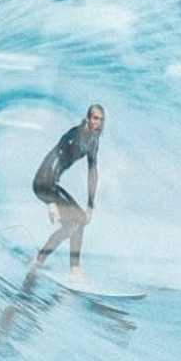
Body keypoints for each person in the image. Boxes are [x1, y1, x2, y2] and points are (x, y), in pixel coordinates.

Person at [31, 100, 107, 274]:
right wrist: (51, 202)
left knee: (72, 225)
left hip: (52, 185)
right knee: (78, 220)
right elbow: (53, 161)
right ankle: (74, 269)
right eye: (95, 118)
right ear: (88, 118)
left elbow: (92, 171)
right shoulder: (75, 135)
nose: (98, 123)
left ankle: (40, 259)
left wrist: (90, 204)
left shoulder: (93, 141)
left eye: (101, 119)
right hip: (43, 183)